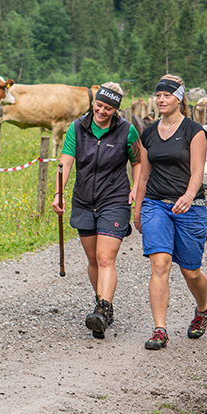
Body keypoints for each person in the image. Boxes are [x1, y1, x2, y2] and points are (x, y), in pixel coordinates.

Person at [53, 82, 141, 339]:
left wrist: (136, 188)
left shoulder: (128, 131)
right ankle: (105, 304)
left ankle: (101, 310)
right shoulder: (77, 128)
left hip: (114, 200)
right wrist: (59, 192)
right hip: (83, 200)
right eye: (99, 105)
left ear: (116, 109)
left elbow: (137, 162)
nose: (102, 111)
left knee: (105, 258)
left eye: (108, 107)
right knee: (93, 260)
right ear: (94, 103)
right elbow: (66, 161)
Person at [133, 74, 207, 351]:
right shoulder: (149, 133)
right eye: (159, 95)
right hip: (156, 205)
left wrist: (189, 196)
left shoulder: (194, 130)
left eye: (167, 95)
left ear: (179, 98)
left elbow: (198, 170)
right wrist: (138, 207)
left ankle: (202, 308)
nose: (161, 99)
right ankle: (159, 330)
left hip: (190, 208)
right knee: (160, 264)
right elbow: (144, 174)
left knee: (191, 272)